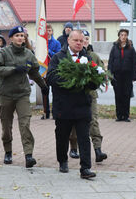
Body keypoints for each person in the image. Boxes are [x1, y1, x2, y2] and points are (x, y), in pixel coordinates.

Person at [0, 26, 49, 168]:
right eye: (17, 35)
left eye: (22, 35)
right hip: (6, 95)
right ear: (11, 38)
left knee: (25, 125)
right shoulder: (3, 53)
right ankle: (8, 151)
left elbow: (34, 72)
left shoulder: (28, 54)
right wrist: (13, 69)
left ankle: (29, 155)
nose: (20, 38)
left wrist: (43, 86)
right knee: (6, 127)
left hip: (22, 94)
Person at [47, 30, 97, 179]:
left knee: (84, 137)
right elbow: (50, 77)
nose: (79, 43)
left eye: (81, 41)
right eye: (76, 40)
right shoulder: (58, 57)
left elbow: (94, 81)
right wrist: (70, 80)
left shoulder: (87, 58)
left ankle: (85, 168)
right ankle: (62, 160)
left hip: (82, 105)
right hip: (64, 105)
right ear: (68, 40)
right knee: (62, 136)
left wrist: (92, 80)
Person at [68, 30, 107, 162]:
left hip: (90, 94)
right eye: (80, 39)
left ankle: (98, 149)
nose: (83, 41)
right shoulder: (70, 56)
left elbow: (101, 72)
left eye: (85, 39)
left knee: (93, 120)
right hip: (74, 94)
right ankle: (73, 147)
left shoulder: (93, 56)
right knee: (74, 122)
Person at [108, 29, 136, 122]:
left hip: (127, 75)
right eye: (121, 35)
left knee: (126, 95)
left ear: (127, 36)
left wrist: (134, 75)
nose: (123, 37)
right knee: (118, 95)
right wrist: (110, 74)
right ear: (119, 36)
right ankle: (119, 115)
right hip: (117, 75)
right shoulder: (114, 48)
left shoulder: (131, 48)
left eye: (125, 35)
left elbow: (134, 63)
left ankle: (126, 115)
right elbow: (110, 62)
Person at [41, 24, 61, 120]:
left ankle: (55, 112)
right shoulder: (41, 42)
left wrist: (48, 50)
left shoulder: (56, 43)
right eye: (46, 30)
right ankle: (46, 112)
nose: (48, 32)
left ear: (52, 32)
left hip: (53, 69)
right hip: (44, 69)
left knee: (55, 92)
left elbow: (58, 55)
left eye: (49, 30)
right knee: (44, 91)